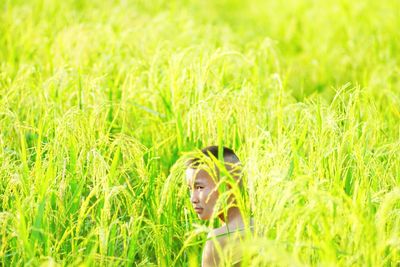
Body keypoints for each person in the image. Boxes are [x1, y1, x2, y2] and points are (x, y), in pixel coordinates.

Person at [185, 146, 253, 266]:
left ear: (227, 186)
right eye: (190, 189)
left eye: (199, 187)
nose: (193, 199)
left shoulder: (217, 239)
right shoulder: (265, 226)